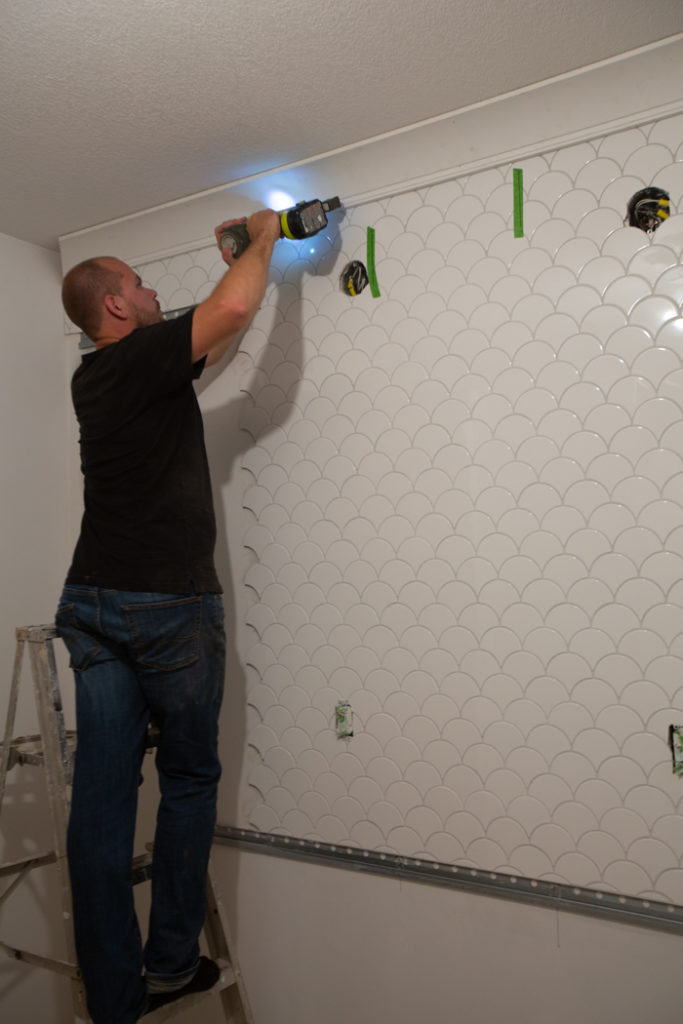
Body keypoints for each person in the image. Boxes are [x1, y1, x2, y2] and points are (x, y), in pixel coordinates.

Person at [55, 209, 281, 1024]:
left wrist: (241, 268)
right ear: (115, 308)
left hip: (90, 602)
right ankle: (170, 965)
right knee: (188, 779)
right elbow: (225, 315)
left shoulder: (99, 376)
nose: (153, 293)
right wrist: (263, 241)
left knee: (103, 801)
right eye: (140, 284)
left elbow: (208, 342)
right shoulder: (137, 358)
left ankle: (114, 999)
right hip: (164, 605)